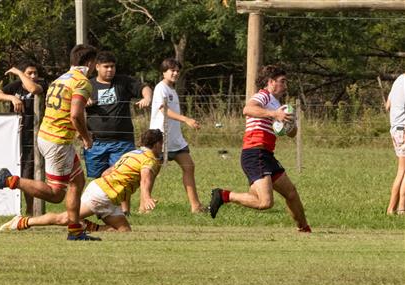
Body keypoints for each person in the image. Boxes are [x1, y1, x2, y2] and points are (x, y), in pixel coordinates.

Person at [0, 44, 100, 241]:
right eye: (95, 63)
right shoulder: (82, 83)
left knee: (77, 181)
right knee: (55, 194)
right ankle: (9, 180)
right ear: (89, 63)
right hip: (58, 141)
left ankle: (75, 231)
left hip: (51, 135)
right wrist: (86, 137)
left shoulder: (61, 79)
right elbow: (76, 115)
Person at [207, 65, 311, 232]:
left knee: (291, 193)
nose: (285, 86)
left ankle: (304, 229)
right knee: (265, 203)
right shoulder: (263, 96)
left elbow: (292, 134)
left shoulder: (278, 105)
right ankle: (224, 195)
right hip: (254, 153)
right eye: (282, 81)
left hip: (266, 155)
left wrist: (290, 125)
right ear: (270, 82)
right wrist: (274, 114)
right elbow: (247, 109)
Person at [0, 129, 163, 233]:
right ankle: (22, 222)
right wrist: (146, 196)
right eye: (161, 144)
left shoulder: (131, 154)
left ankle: (90, 227)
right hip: (104, 195)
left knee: (124, 231)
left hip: (105, 193)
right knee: (65, 219)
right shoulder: (151, 160)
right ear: (157, 144)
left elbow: (107, 171)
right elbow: (145, 178)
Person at [84, 51, 153, 215]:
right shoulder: (88, 85)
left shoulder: (123, 82)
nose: (110, 70)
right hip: (96, 141)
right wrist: (83, 102)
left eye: (112, 66)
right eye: (106, 67)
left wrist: (147, 98)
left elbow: (145, 88)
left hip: (122, 140)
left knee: (123, 177)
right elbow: (73, 104)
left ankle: (124, 211)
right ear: (97, 67)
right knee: (98, 178)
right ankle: (101, 210)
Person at [0, 61, 46, 216]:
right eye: (29, 73)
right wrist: (12, 98)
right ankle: (11, 208)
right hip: (15, 137)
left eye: (35, 73)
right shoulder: (15, 87)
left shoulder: (42, 85)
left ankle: (30, 210)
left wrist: (19, 73)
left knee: (29, 174)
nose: (34, 76)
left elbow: (33, 89)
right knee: (13, 171)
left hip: (33, 137)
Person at [149, 58, 204, 213]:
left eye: (177, 71)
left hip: (175, 139)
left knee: (189, 167)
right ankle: (144, 205)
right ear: (163, 72)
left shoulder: (171, 89)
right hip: (160, 139)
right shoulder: (161, 88)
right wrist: (186, 119)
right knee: (152, 172)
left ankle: (196, 206)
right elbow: (163, 110)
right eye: (172, 70)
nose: (175, 73)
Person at [385, 73, 405, 215]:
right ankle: (396, 209)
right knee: (402, 171)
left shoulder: (398, 80)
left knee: (402, 170)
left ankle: (397, 208)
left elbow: (388, 105)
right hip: (404, 129)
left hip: (395, 129)